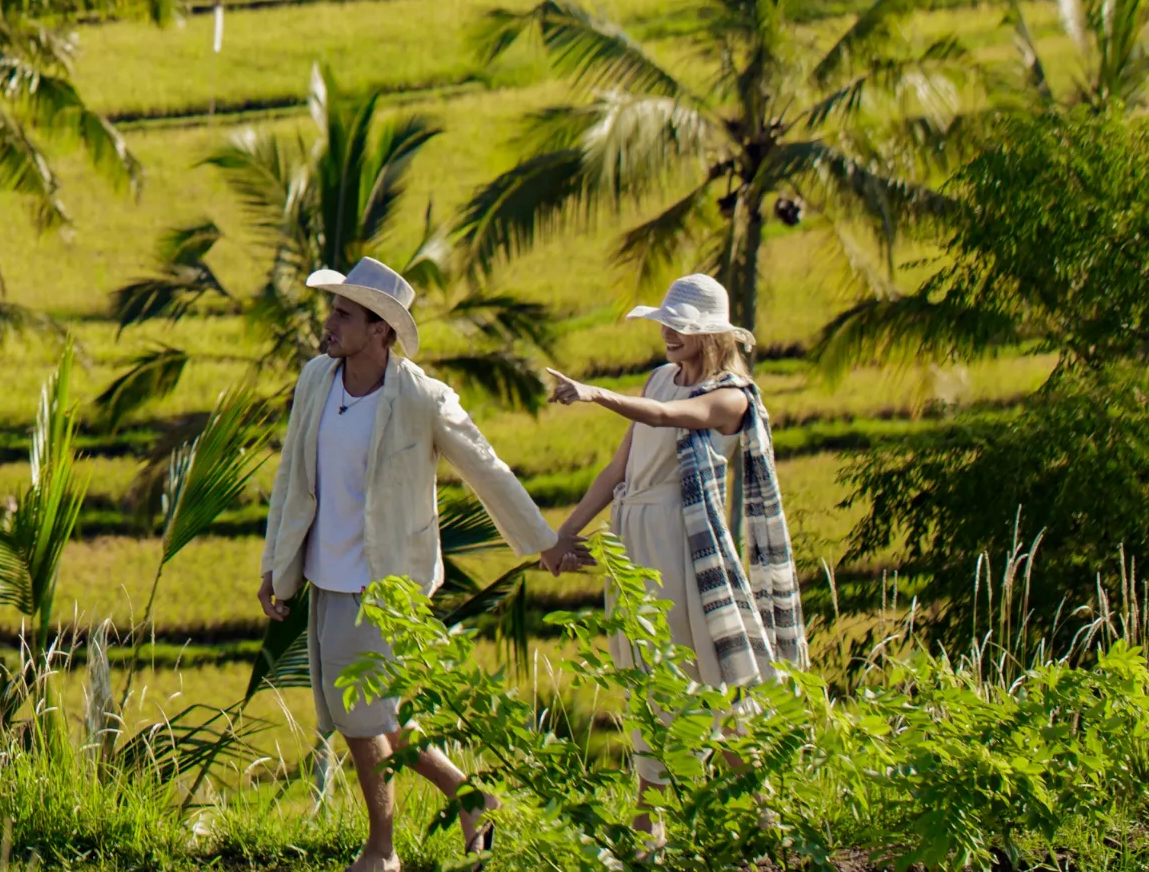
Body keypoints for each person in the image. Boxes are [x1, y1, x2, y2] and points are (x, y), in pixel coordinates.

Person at [257, 257, 563, 872]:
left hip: (383, 585)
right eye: (333, 310)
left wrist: (543, 542)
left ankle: (381, 851)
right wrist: (275, 566)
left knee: (362, 724)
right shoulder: (317, 379)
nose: (330, 322)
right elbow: (292, 478)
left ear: (381, 332)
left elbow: (486, 468)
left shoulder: (422, 397)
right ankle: (474, 799)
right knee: (379, 719)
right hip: (325, 578)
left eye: (344, 313)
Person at [541, 273, 809, 721]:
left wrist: (594, 393)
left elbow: (667, 417)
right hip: (632, 530)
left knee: (690, 662)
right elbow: (618, 470)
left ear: (709, 335)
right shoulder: (659, 379)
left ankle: (740, 777)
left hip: (679, 536)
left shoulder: (731, 397)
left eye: (679, 325)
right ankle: (658, 786)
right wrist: (565, 533)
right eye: (665, 322)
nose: (667, 332)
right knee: (642, 660)